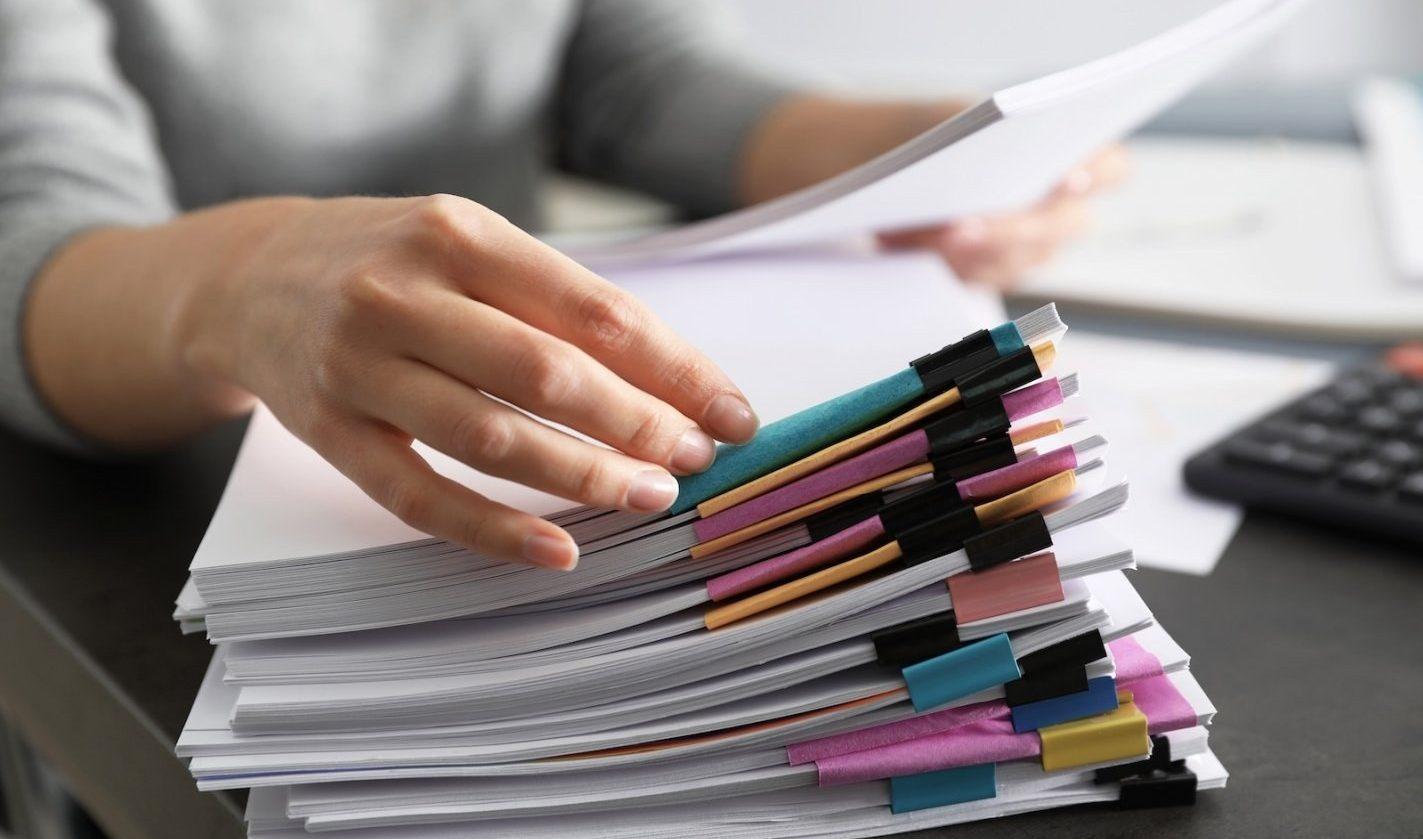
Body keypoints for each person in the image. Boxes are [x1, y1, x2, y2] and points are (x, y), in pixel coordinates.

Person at [0, 0, 1125, 570]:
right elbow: (31, 229)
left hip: (497, 422)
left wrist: (905, 151)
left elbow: (633, 76)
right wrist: (239, 286)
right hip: (152, 485)